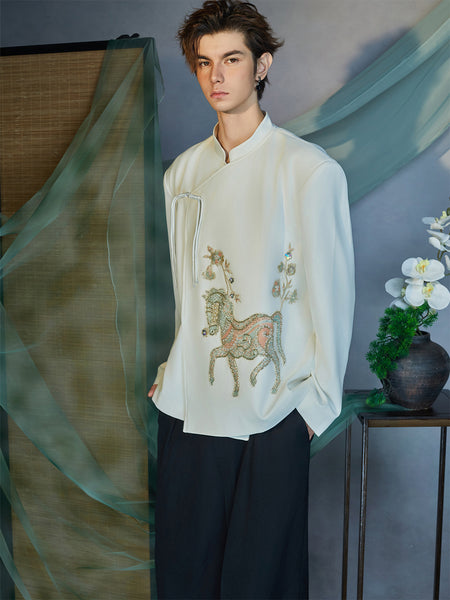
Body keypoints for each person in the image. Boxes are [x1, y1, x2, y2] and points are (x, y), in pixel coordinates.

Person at [148, 1, 355, 598]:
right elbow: (186, 294)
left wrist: (313, 409)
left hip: (274, 413)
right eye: (204, 62)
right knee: (185, 579)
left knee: (260, 583)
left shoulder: (308, 171)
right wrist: (169, 373)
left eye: (232, 59)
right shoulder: (182, 175)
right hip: (188, 408)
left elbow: (332, 296)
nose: (216, 76)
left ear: (261, 66)